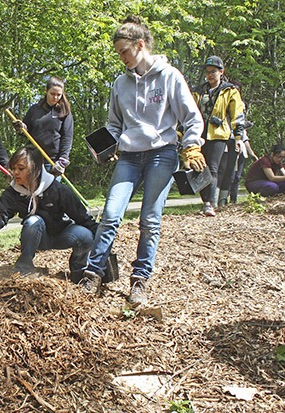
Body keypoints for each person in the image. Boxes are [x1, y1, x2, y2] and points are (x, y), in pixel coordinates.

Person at [79, 16, 205, 306]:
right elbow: (114, 125)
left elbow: (191, 117)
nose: (121, 57)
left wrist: (192, 146)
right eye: (118, 53)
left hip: (163, 153)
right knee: (110, 214)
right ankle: (92, 274)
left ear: (140, 44)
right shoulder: (120, 84)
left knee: (150, 219)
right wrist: (102, 146)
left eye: (124, 51)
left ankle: (140, 280)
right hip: (129, 157)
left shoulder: (169, 76)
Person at [0, 146, 97, 279]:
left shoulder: (58, 190)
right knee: (33, 221)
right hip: (37, 237)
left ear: (35, 169)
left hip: (62, 235)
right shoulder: (12, 195)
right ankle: (24, 269)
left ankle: (78, 274)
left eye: (21, 169)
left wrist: (103, 240)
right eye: (13, 169)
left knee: (86, 236)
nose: (15, 173)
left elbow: (83, 218)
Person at [192, 55, 245, 216]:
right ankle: (205, 202)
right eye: (207, 72)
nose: (210, 75)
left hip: (219, 134)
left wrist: (238, 137)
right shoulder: (199, 91)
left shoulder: (229, 91)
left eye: (213, 72)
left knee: (213, 167)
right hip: (200, 134)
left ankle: (211, 203)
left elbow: (237, 115)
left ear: (221, 72)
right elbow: (190, 113)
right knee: (199, 167)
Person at [12, 76, 74, 177]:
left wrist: (62, 160)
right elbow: (25, 132)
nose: (55, 97)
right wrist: (20, 128)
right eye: (52, 94)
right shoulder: (34, 109)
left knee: (50, 192)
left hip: (52, 162)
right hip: (32, 159)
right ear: (46, 91)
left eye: (59, 95)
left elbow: (67, 138)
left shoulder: (64, 113)